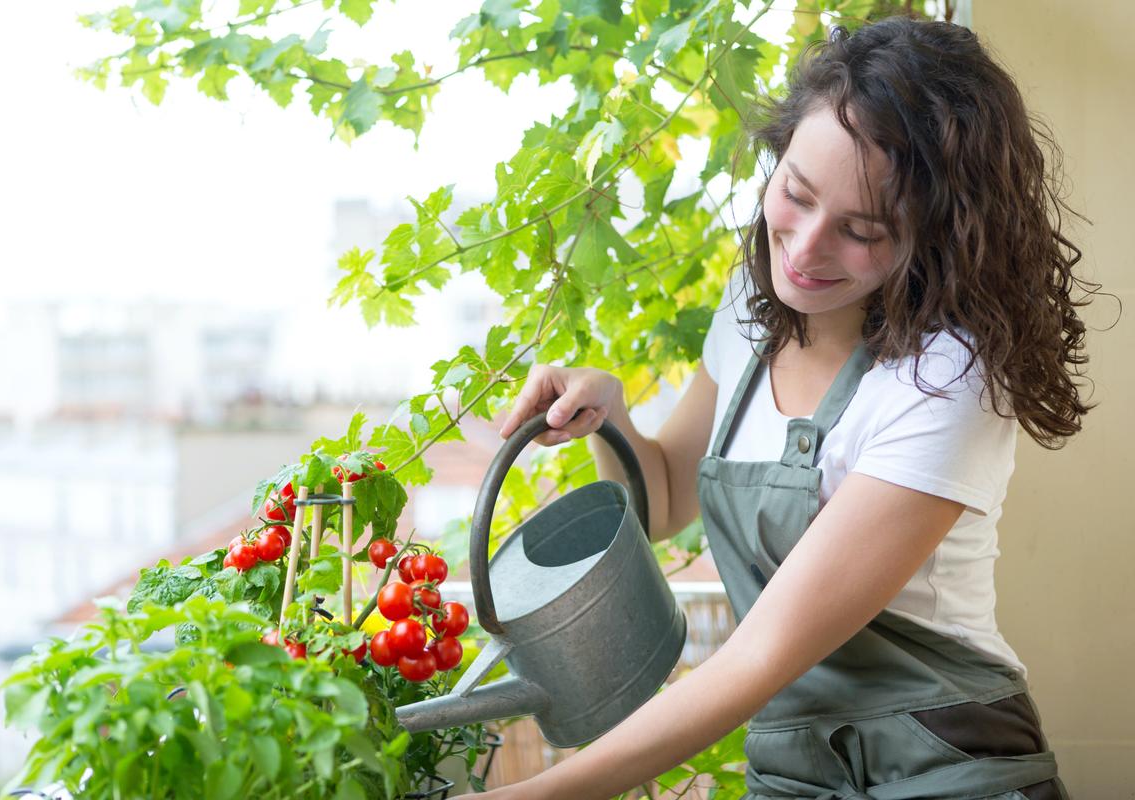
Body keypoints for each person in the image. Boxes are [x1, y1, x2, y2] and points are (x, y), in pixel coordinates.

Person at [466, 14, 1099, 800]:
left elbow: (761, 656)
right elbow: (661, 500)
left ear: (929, 235)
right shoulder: (747, 309)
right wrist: (613, 415)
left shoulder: (949, 378)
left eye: (862, 230)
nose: (801, 249)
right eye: (795, 194)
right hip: (795, 772)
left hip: (945, 767)